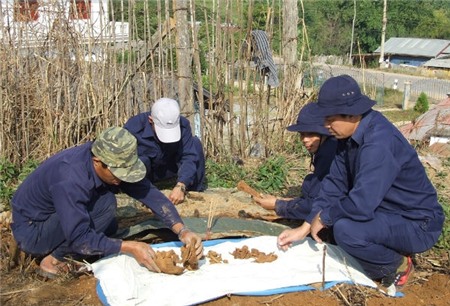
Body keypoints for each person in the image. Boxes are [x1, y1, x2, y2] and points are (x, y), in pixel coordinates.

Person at [277, 75, 444, 289]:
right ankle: (382, 250)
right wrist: (305, 226)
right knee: (334, 226)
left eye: (329, 119)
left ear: (351, 114)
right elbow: (333, 186)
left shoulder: (378, 143)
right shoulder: (346, 138)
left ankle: (396, 263)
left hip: (418, 223)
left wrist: (325, 216)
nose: (325, 125)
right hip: (386, 213)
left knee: (346, 230)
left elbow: (361, 203)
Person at [11, 127, 203, 278]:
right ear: (97, 161)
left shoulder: (108, 157)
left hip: (54, 218)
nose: (121, 179)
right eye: (118, 174)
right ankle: (53, 260)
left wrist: (181, 230)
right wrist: (130, 247)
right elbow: (79, 238)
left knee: (108, 221)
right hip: (32, 230)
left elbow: (149, 193)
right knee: (105, 205)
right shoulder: (70, 178)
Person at [254, 103, 337, 220]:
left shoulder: (329, 154)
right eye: (302, 134)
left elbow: (322, 203)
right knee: (309, 183)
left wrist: (279, 205)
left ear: (324, 134)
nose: (305, 140)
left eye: (311, 134)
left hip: (337, 211)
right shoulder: (327, 147)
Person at [124, 98, 206, 205]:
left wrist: (181, 185)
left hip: (169, 167)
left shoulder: (183, 125)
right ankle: (140, 192)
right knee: (142, 160)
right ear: (150, 120)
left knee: (195, 144)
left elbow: (188, 156)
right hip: (147, 172)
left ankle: (194, 192)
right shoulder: (134, 127)